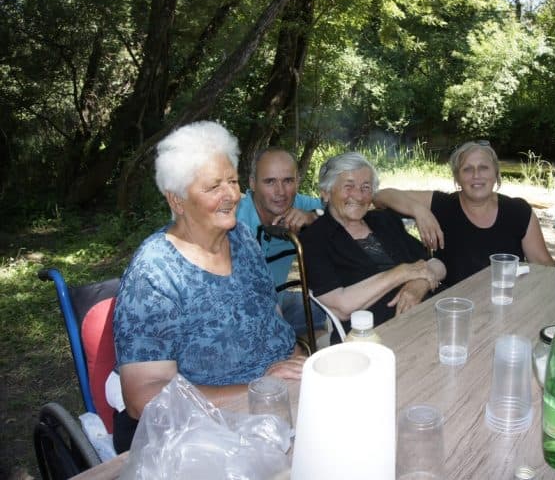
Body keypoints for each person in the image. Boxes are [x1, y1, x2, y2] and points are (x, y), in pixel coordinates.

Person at [112, 122, 305, 453]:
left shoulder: (242, 238)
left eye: (232, 181)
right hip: (211, 432)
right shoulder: (155, 273)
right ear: (177, 200)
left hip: (282, 404)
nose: (231, 195)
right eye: (214, 186)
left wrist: (299, 363)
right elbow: (144, 397)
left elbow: (272, 321)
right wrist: (258, 389)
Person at [300, 152, 446, 343]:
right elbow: (341, 306)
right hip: (375, 335)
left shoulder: (384, 220)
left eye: (366, 187)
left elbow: (437, 264)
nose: (359, 196)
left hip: (430, 315)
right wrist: (401, 273)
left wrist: (420, 284)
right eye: (349, 186)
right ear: (326, 192)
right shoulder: (315, 238)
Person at [373, 141, 555, 287]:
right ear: (457, 178)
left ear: (496, 174)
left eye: (484, 167)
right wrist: (418, 210)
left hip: (506, 301)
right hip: (453, 305)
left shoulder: (518, 211)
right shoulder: (442, 204)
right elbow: (381, 196)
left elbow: (544, 266)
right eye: (467, 169)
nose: (476, 175)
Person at [236, 147, 327, 336]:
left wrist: (314, 217)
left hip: (278, 301)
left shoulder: (300, 206)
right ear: (253, 183)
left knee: (322, 309)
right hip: (238, 315)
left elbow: (347, 209)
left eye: (288, 181)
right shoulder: (233, 218)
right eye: (270, 182)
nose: (281, 192)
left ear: (297, 181)